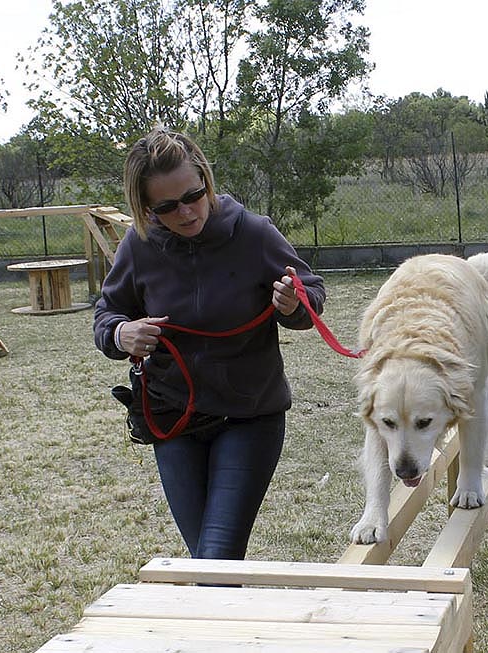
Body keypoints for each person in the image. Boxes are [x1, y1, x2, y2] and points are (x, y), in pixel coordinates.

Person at [93, 128, 326, 561]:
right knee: (209, 562)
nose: (185, 212)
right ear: (146, 208)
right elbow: (106, 314)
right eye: (166, 207)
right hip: (173, 418)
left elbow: (311, 292)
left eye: (193, 195)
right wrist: (121, 334)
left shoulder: (253, 233)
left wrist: (293, 302)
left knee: (215, 558)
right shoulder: (139, 245)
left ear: (205, 179)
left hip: (249, 417)